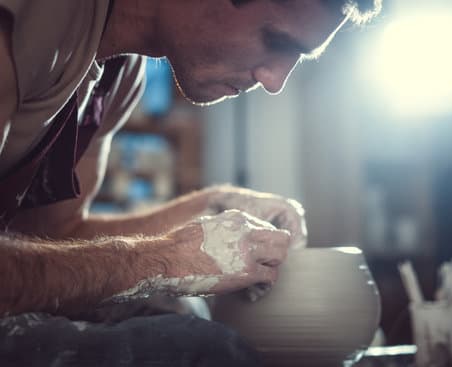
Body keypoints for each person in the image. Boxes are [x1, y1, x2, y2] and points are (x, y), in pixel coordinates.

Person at [0, 0, 381, 365]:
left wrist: (206, 209)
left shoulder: (119, 73)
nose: (276, 81)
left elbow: (50, 239)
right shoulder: (30, 17)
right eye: (276, 40)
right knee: (195, 352)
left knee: (178, 312)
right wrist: (162, 261)